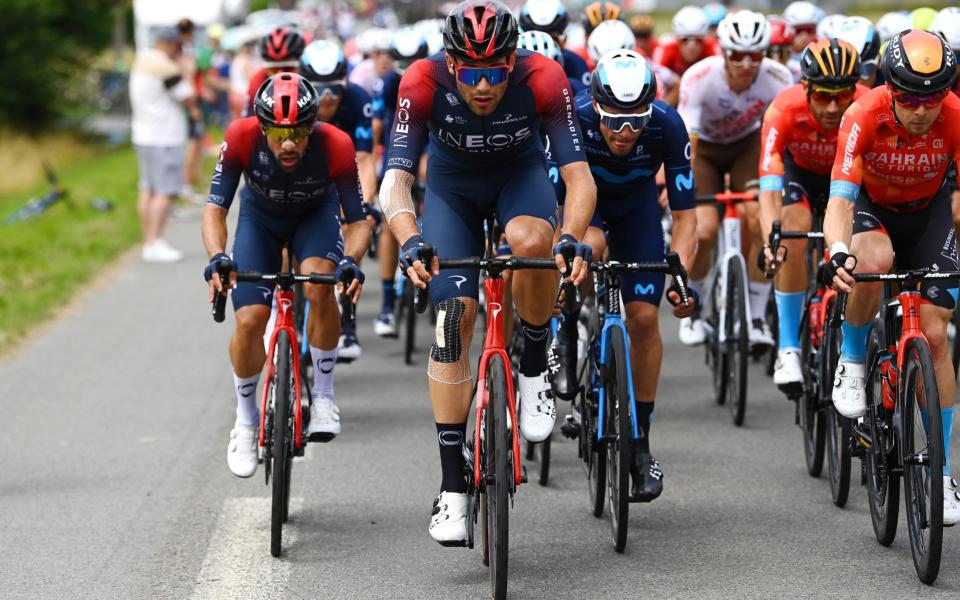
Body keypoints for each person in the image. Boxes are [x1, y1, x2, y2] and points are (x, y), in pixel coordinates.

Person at [378, 0, 596, 544]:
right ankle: (452, 487)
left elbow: (578, 176)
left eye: (494, 74)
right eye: (470, 74)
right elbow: (396, 182)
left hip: (518, 179)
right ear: (451, 64)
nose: (481, 87)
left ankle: (532, 365)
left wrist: (570, 236)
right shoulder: (421, 80)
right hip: (451, 192)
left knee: (532, 242)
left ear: (512, 61)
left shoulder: (544, 77)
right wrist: (410, 241)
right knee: (455, 323)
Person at [822, 29, 960, 524]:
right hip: (873, 211)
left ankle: (942, 473)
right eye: (908, 97)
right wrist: (839, 251)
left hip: (929, 215)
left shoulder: (956, 117)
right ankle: (854, 358)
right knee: (873, 263)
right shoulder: (862, 115)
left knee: (939, 336)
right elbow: (839, 198)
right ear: (889, 88)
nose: (921, 109)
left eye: (933, 96)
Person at [202, 73, 370, 477]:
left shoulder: (337, 145)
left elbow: (359, 221)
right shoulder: (241, 136)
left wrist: (352, 259)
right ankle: (244, 420)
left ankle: (325, 397)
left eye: (298, 131)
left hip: (315, 218)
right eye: (279, 133)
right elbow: (215, 209)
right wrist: (217, 256)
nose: (289, 142)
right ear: (263, 128)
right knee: (250, 319)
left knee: (319, 286)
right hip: (261, 221)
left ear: (312, 126)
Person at [550, 50, 698, 501]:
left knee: (645, 321)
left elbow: (686, 216)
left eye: (636, 121)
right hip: (584, 208)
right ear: (596, 107)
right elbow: (554, 205)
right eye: (614, 121)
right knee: (584, 249)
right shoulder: (572, 118)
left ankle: (641, 443)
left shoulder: (668, 125)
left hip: (637, 214)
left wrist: (681, 275)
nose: (626, 132)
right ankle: (569, 330)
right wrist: (561, 259)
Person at [676, 10, 792, 347]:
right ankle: (694, 306)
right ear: (723, 52)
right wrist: (677, 185)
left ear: (764, 54)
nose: (745, 64)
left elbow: (782, 137)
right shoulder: (699, 77)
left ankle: (755, 315)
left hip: (748, 145)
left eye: (754, 55)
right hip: (706, 151)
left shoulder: (779, 78)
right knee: (706, 230)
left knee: (760, 221)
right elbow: (689, 144)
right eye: (737, 55)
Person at [756, 38, 866, 393]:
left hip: (850, 179)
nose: (834, 107)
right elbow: (769, 186)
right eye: (822, 96)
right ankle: (788, 348)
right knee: (792, 232)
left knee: (865, 243)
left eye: (842, 94)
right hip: (800, 176)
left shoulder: (867, 105)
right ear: (805, 87)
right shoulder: (783, 109)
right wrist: (770, 241)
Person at [301, 39, 378, 361]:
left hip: (343, 175)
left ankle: (346, 322)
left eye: (333, 89)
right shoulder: (298, 102)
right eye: (319, 90)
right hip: (304, 176)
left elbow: (364, 160)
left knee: (354, 232)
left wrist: (361, 207)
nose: (327, 98)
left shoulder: (357, 100)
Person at [371, 28, 431, 338]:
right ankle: (385, 302)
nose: (409, 67)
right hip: (401, 144)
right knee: (386, 219)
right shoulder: (389, 82)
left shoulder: (434, 76)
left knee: (429, 175)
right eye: (403, 61)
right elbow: (378, 128)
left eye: (415, 60)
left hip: (428, 144)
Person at [129, 27, 196, 263]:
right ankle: (154, 242)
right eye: (179, 47)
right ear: (169, 44)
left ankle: (149, 240)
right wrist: (186, 70)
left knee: (147, 189)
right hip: (164, 136)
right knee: (165, 192)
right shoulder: (165, 68)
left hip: (143, 134)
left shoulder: (142, 60)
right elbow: (187, 97)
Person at [652, 5, 720, 106]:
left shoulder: (713, 48)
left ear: (704, 39)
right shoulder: (665, 50)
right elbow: (656, 91)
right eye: (685, 40)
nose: (691, 46)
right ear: (677, 39)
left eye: (698, 40)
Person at [519, 0, 591, 89]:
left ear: (563, 39)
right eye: (533, 38)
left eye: (552, 38)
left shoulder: (576, 64)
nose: (542, 45)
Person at [244, 27, 306, 115]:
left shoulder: (309, 75)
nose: (280, 74)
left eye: (288, 69)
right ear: (266, 67)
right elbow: (248, 117)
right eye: (274, 69)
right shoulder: (257, 81)